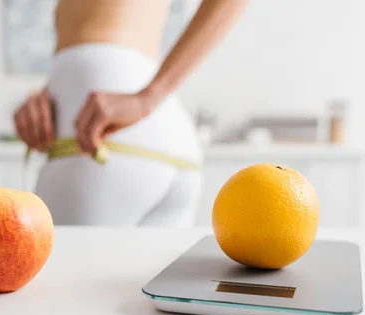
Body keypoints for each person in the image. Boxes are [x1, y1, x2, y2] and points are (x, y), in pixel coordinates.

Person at [14, 0, 249, 227]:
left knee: (64, 267)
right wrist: (51, 93)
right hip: (157, 136)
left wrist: (148, 97)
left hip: (101, 139)